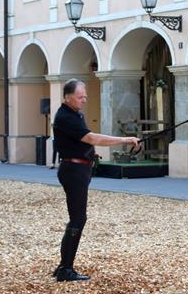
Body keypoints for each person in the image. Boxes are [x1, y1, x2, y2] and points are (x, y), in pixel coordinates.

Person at [52, 78, 140, 282]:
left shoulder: (73, 114)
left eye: (85, 97)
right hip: (73, 170)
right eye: (79, 96)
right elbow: (91, 138)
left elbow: (81, 142)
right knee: (78, 218)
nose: (84, 100)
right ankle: (66, 268)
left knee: (77, 218)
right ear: (67, 97)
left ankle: (63, 266)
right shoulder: (66, 116)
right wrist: (125, 140)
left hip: (77, 168)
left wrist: (90, 155)